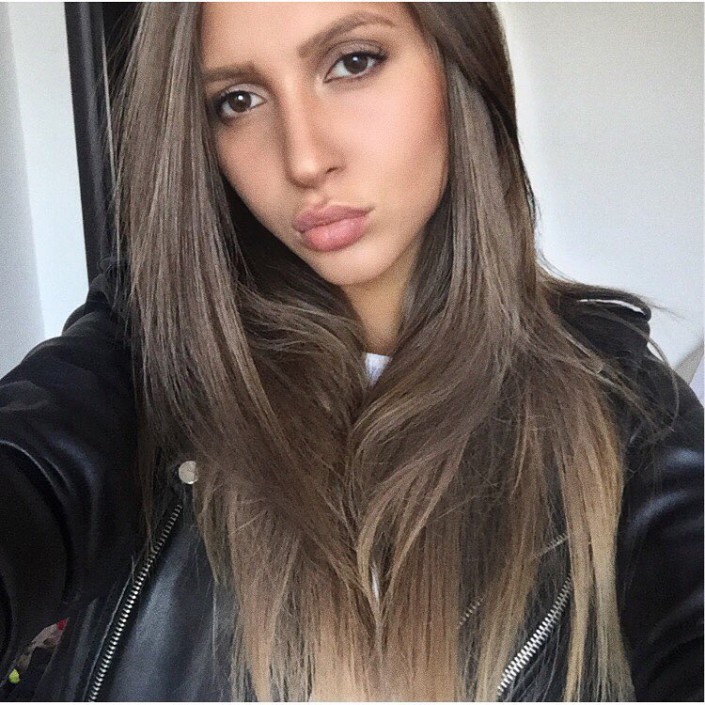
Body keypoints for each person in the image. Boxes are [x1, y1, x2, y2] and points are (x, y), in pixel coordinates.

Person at [0, 2, 702, 701]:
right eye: (238, 101)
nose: (304, 159)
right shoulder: (148, 353)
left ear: (457, 60)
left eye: (353, 62)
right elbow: (33, 471)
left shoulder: (622, 413)